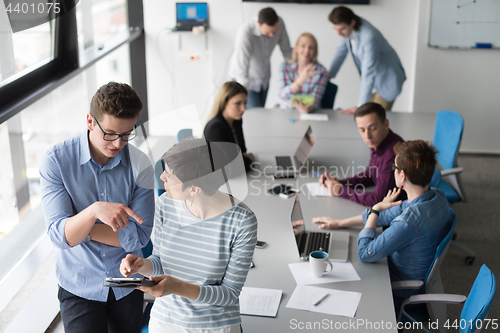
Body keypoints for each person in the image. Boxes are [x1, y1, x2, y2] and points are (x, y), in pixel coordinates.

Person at [39, 82, 155, 332]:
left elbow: (140, 237)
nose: (117, 144)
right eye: (110, 133)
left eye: (126, 135)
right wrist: (94, 211)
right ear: (90, 121)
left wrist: (84, 228)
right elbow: (60, 236)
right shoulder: (56, 162)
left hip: (126, 281)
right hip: (79, 284)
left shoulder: (141, 164)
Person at [120, 138, 257, 333]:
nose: (161, 178)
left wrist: (177, 287)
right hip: (166, 320)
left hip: (214, 326)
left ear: (194, 188)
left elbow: (229, 294)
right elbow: (159, 261)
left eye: (169, 176)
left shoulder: (242, 221)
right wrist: (142, 265)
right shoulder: (165, 204)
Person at [313, 140, 451, 309]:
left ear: (402, 176)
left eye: (394, 167)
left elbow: (365, 253)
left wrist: (376, 209)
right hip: (413, 269)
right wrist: (341, 222)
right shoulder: (436, 196)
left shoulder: (408, 222)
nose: (392, 170)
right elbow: (389, 214)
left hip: (398, 285)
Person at [319, 102, 404, 206]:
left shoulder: (392, 155)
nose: (367, 135)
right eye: (362, 130)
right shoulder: (378, 142)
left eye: (373, 128)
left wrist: (341, 190)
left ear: (385, 124)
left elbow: (377, 200)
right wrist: (338, 183)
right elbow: (370, 175)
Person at [328, 6, 406, 113]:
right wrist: (329, 75)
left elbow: (368, 72)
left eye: (341, 29)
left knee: (372, 119)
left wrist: (360, 106)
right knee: (368, 117)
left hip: (387, 81)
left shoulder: (369, 37)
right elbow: (340, 52)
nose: (338, 34)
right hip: (374, 82)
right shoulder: (347, 30)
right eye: (335, 29)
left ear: (352, 22)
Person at [229, 7, 292, 108]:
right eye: (267, 33)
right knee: (254, 116)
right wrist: (243, 98)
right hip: (246, 80)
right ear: (258, 24)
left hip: (264, 80)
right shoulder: (245, 32)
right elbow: (241, 70)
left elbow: (287, 51)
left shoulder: (280, 23)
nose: (271, 36)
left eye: (274, 33)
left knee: (260, 113)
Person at [204, 81, 254, 171]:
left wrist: (242, 160)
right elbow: (228, 169)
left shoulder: (236, 120)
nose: (243, 108)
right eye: (238, 103)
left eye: (245, 103)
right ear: (224, 102)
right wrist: (249, 161)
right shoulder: (216, 128)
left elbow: (242, 150)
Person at [278, 32, 329, 113]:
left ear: (315, 51)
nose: (307, 50)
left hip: (310, 112)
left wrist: (306, 109)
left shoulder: (321, 71)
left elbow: (315, 100)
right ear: (296, 48)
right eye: (303, 46)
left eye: (311, 47)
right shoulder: (284, 67)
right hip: (286, 112)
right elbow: (283, 95)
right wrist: (302, 79)